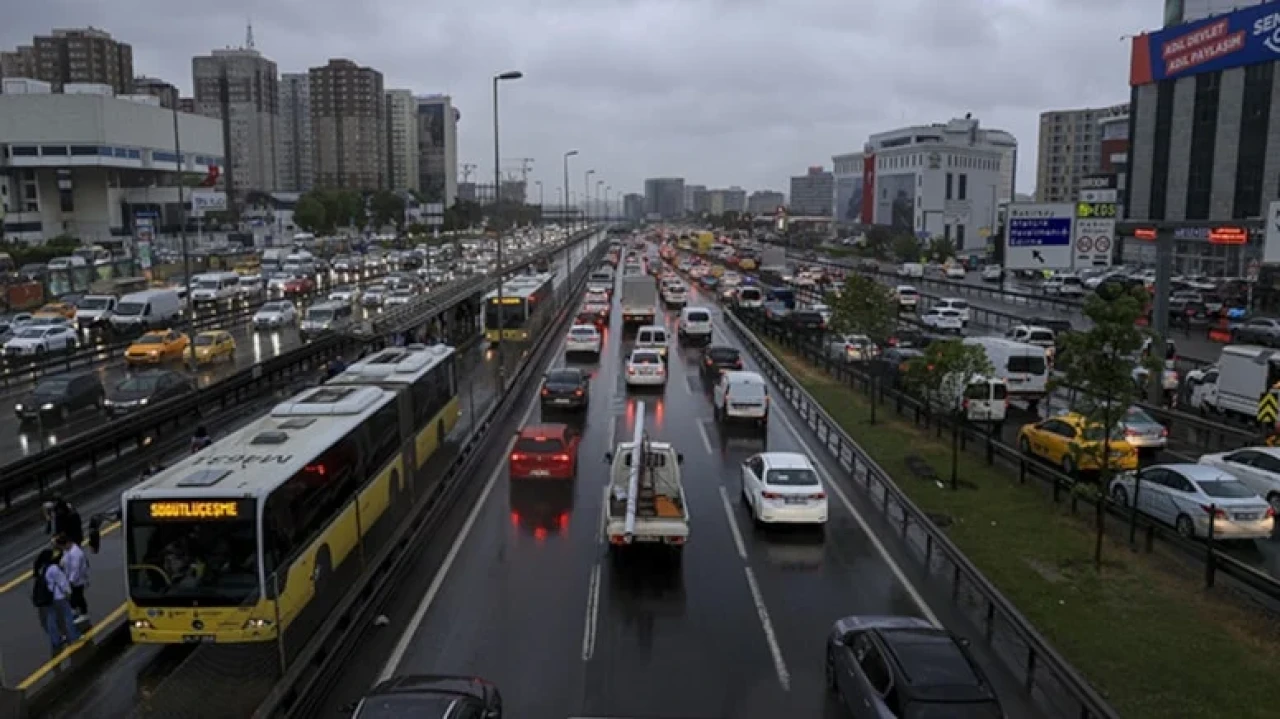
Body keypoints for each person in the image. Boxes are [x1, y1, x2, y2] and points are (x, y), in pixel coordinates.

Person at [32, 548, 80, 655]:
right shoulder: (53, 568)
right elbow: (62, 583)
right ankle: (73, 636)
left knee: (51, 618)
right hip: (59, 597)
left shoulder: (42, 569)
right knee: (68, 616)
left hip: (49, 598)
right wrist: (69, 593)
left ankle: (55, 640)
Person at [55, 534, 90, 624]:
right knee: (72, 596)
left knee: (78, 596)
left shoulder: (76, 554)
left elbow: (76, 570)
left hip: (78, 580)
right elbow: (65, 558)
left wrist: (70, 581)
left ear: (67, 543)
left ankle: (84, 614)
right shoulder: (68, 550)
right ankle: (74, 609)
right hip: (70, 577)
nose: (62, 549)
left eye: (62, 546)